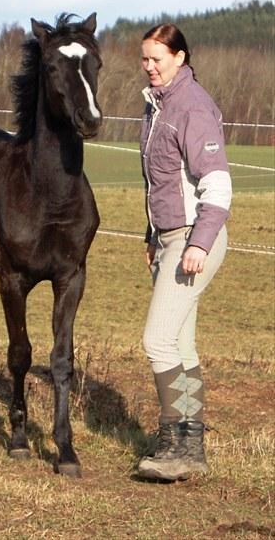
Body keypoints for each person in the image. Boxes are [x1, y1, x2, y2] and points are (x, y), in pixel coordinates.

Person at [136, 24, 232, 481]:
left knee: (156, 341)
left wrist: (198, 242)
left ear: (180, 57)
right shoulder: (157, 107)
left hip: (196, 239)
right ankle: (191, 448)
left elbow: (216, 184)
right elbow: (160, 182)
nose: (149, 66)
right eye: (145, 59)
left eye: (157, 58)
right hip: (171, 238)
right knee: (181, 343)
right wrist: (153, 237)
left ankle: (175, 441)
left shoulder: (192, 107)